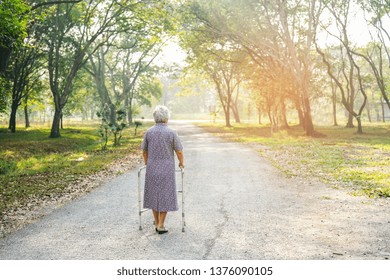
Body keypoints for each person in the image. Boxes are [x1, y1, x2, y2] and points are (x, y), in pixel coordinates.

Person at [141, 105, 184, 234]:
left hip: (152, 168)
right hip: (167, 168)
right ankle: (161, 224)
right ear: (166, 117)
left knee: (154, 194)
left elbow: (144, 151)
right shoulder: (171, 132)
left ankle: (156, 221)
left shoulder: (149, 132)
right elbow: (179, 151)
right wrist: (182, 163)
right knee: (165, 195)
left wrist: (147, 163)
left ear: (155, 117)